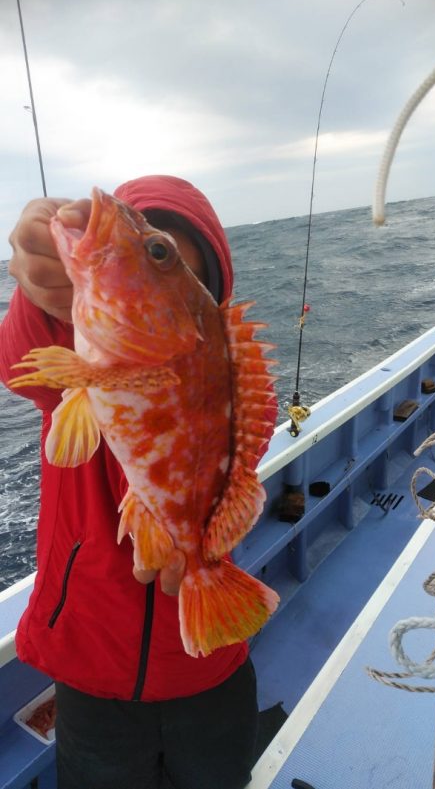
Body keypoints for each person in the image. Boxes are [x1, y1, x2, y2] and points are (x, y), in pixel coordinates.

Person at [0, 175, 258, 789]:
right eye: (153, 246)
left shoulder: (216, 383)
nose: (139, 250)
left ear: (199, 312)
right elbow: (20, 363)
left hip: (207, 665)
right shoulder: (76, 361)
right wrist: (41, 295)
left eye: (158, 256)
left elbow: (231, 455)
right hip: (91, 666)